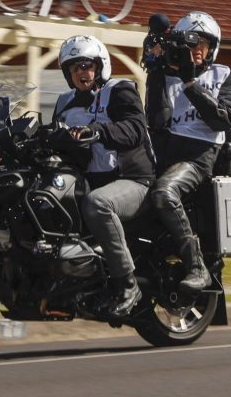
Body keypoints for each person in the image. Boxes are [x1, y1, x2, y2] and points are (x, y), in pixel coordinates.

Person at [53, 35, 156, 317]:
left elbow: (135, 128)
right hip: (91, 181)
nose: (81, 73)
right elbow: (56, 137)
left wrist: (99, 131)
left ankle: (128, 284)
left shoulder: (119, 90)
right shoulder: (64, 103)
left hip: (133, 180)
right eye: (74, 68)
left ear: (99, 67)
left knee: (98, 204)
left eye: (86, 65)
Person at [144, 11, 231, 291]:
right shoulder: (165, 76)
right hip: (163, 155)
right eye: (191, 42)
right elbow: (157, 122)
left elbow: (224, 119)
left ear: (213, 47)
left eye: (203, 43)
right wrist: (158, 72)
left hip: (198, 158)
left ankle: (197, 266)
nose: (197, 49)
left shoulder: (223, 75)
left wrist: (190, 84)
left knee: (164, 193)